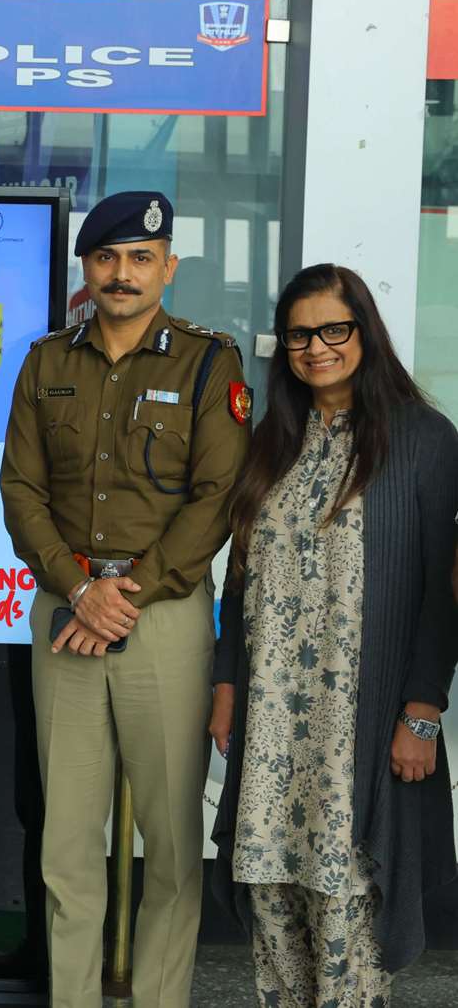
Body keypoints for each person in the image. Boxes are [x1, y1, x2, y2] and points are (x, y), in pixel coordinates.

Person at [0, 191, 250, 1007]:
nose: (122, 272)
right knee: (67, 840)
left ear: (167, 267)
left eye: (141, 258)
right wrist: (78, 588)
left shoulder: (211, 362)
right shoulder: (45, 362)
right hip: (65, 611)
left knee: (172, 845)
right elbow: (20, 490)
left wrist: (122, 592)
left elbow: (217, 495)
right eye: (106, 257)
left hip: (162, 617)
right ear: (86, 268)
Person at [208, 264, 458, 1005]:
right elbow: (238, 575)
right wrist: (224, 684)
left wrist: (421, 710)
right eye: (297, 334)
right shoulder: (272, 439)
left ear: (363, 332)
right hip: (270, 724)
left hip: (359, 725)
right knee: (271, 897)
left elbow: (440, 592)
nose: (314, 346)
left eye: (331, 329)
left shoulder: (422, 438)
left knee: (349, 909)